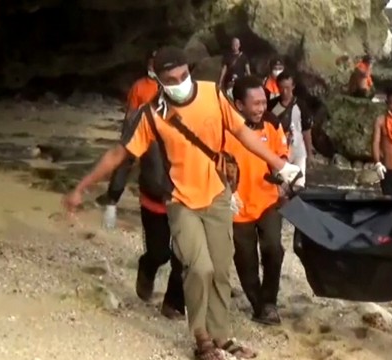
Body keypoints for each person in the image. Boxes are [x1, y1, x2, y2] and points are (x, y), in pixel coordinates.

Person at [62, 46, 303, 360]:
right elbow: (118, 154)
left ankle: (222, 337)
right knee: (198, 268)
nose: (180, 82)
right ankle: (201, 337)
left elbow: (242, 133)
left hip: (217, 196)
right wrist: (81, 187)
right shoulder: (152, 115)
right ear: (159, 81)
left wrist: (280, 165)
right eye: (171, 79)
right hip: (181, 201)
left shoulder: (212, 94)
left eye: (184, 75)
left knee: (219, 270)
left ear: (190, 72)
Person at [97, 48, 185, 319]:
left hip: (186, 198)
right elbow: (125, 158)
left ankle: (173, 303)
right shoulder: (143, 113)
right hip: (154, 195)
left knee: (185, 255)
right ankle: (147, 267)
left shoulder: (197, 111)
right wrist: (113, 198)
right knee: (160, 253)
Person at [225, 76, 289, 325]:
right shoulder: (226, 127)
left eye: (264, 102)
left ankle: (270, 302)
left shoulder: (272, 123)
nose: (262, 108)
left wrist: (284, 179)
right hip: (237, 205)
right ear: (239, 105)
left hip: (267, 200)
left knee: (274, 248)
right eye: (256, 104)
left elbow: (281, 155)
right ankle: (257, 304)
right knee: (245, 258)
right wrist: (226, 193)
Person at [267, 71, 313, 187]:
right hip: (278, 151)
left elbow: (306, 130)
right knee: (281, 186)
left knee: (298, 186)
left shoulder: (302, 105)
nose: (284, 91)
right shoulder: (271, 106)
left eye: (287, 87)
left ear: (293, 86)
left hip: (298, 150)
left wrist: (310, 153)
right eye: (281, 88)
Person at [124, 49, 160, 119]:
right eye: (150, 64)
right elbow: (130, 114)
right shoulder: (138, 86)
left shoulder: (169, 85)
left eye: (156, 64)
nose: (152, 67)